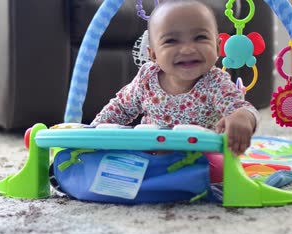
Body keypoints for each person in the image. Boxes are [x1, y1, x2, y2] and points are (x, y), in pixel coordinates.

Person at [91, 0, 260, 182]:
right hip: (152, 156)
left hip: (198, 158)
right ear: (153, 54)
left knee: (222, 169)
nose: (187, 49)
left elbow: (239, 107)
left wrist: (242, 117)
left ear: (217, 47)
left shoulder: (215, 82)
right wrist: (93, 132)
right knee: (113, 162)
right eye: (171, 41)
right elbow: (121, 108)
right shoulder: (147, 78)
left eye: (200, 38)